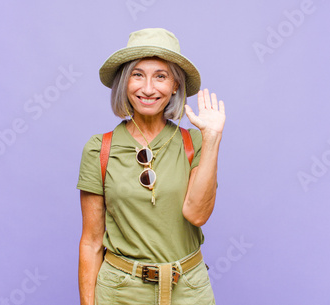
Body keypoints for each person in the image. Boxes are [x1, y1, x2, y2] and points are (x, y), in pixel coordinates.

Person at [77, 28, 225, 305]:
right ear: (124, 82)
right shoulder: (99, 148)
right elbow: (91, 242)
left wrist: (213, 138)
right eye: (137, 75)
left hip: (189, 290)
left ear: (175, 86)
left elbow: (197, 214)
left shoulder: (194, 142)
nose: (148, 88)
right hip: (121, 291)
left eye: (161, 76)